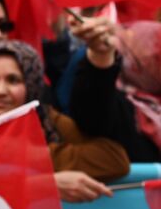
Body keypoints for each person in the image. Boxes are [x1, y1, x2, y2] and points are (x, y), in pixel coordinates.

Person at [0, 40, 129, 202]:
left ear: (32, 85)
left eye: (13, 80)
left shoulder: (46, 118)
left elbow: (115, 159)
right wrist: (47, 183)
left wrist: (36, 155)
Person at [67, 15, 161, 164]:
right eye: (157, 58)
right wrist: (101, 54)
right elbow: (92, 116)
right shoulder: (118, 104)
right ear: (136, 64)